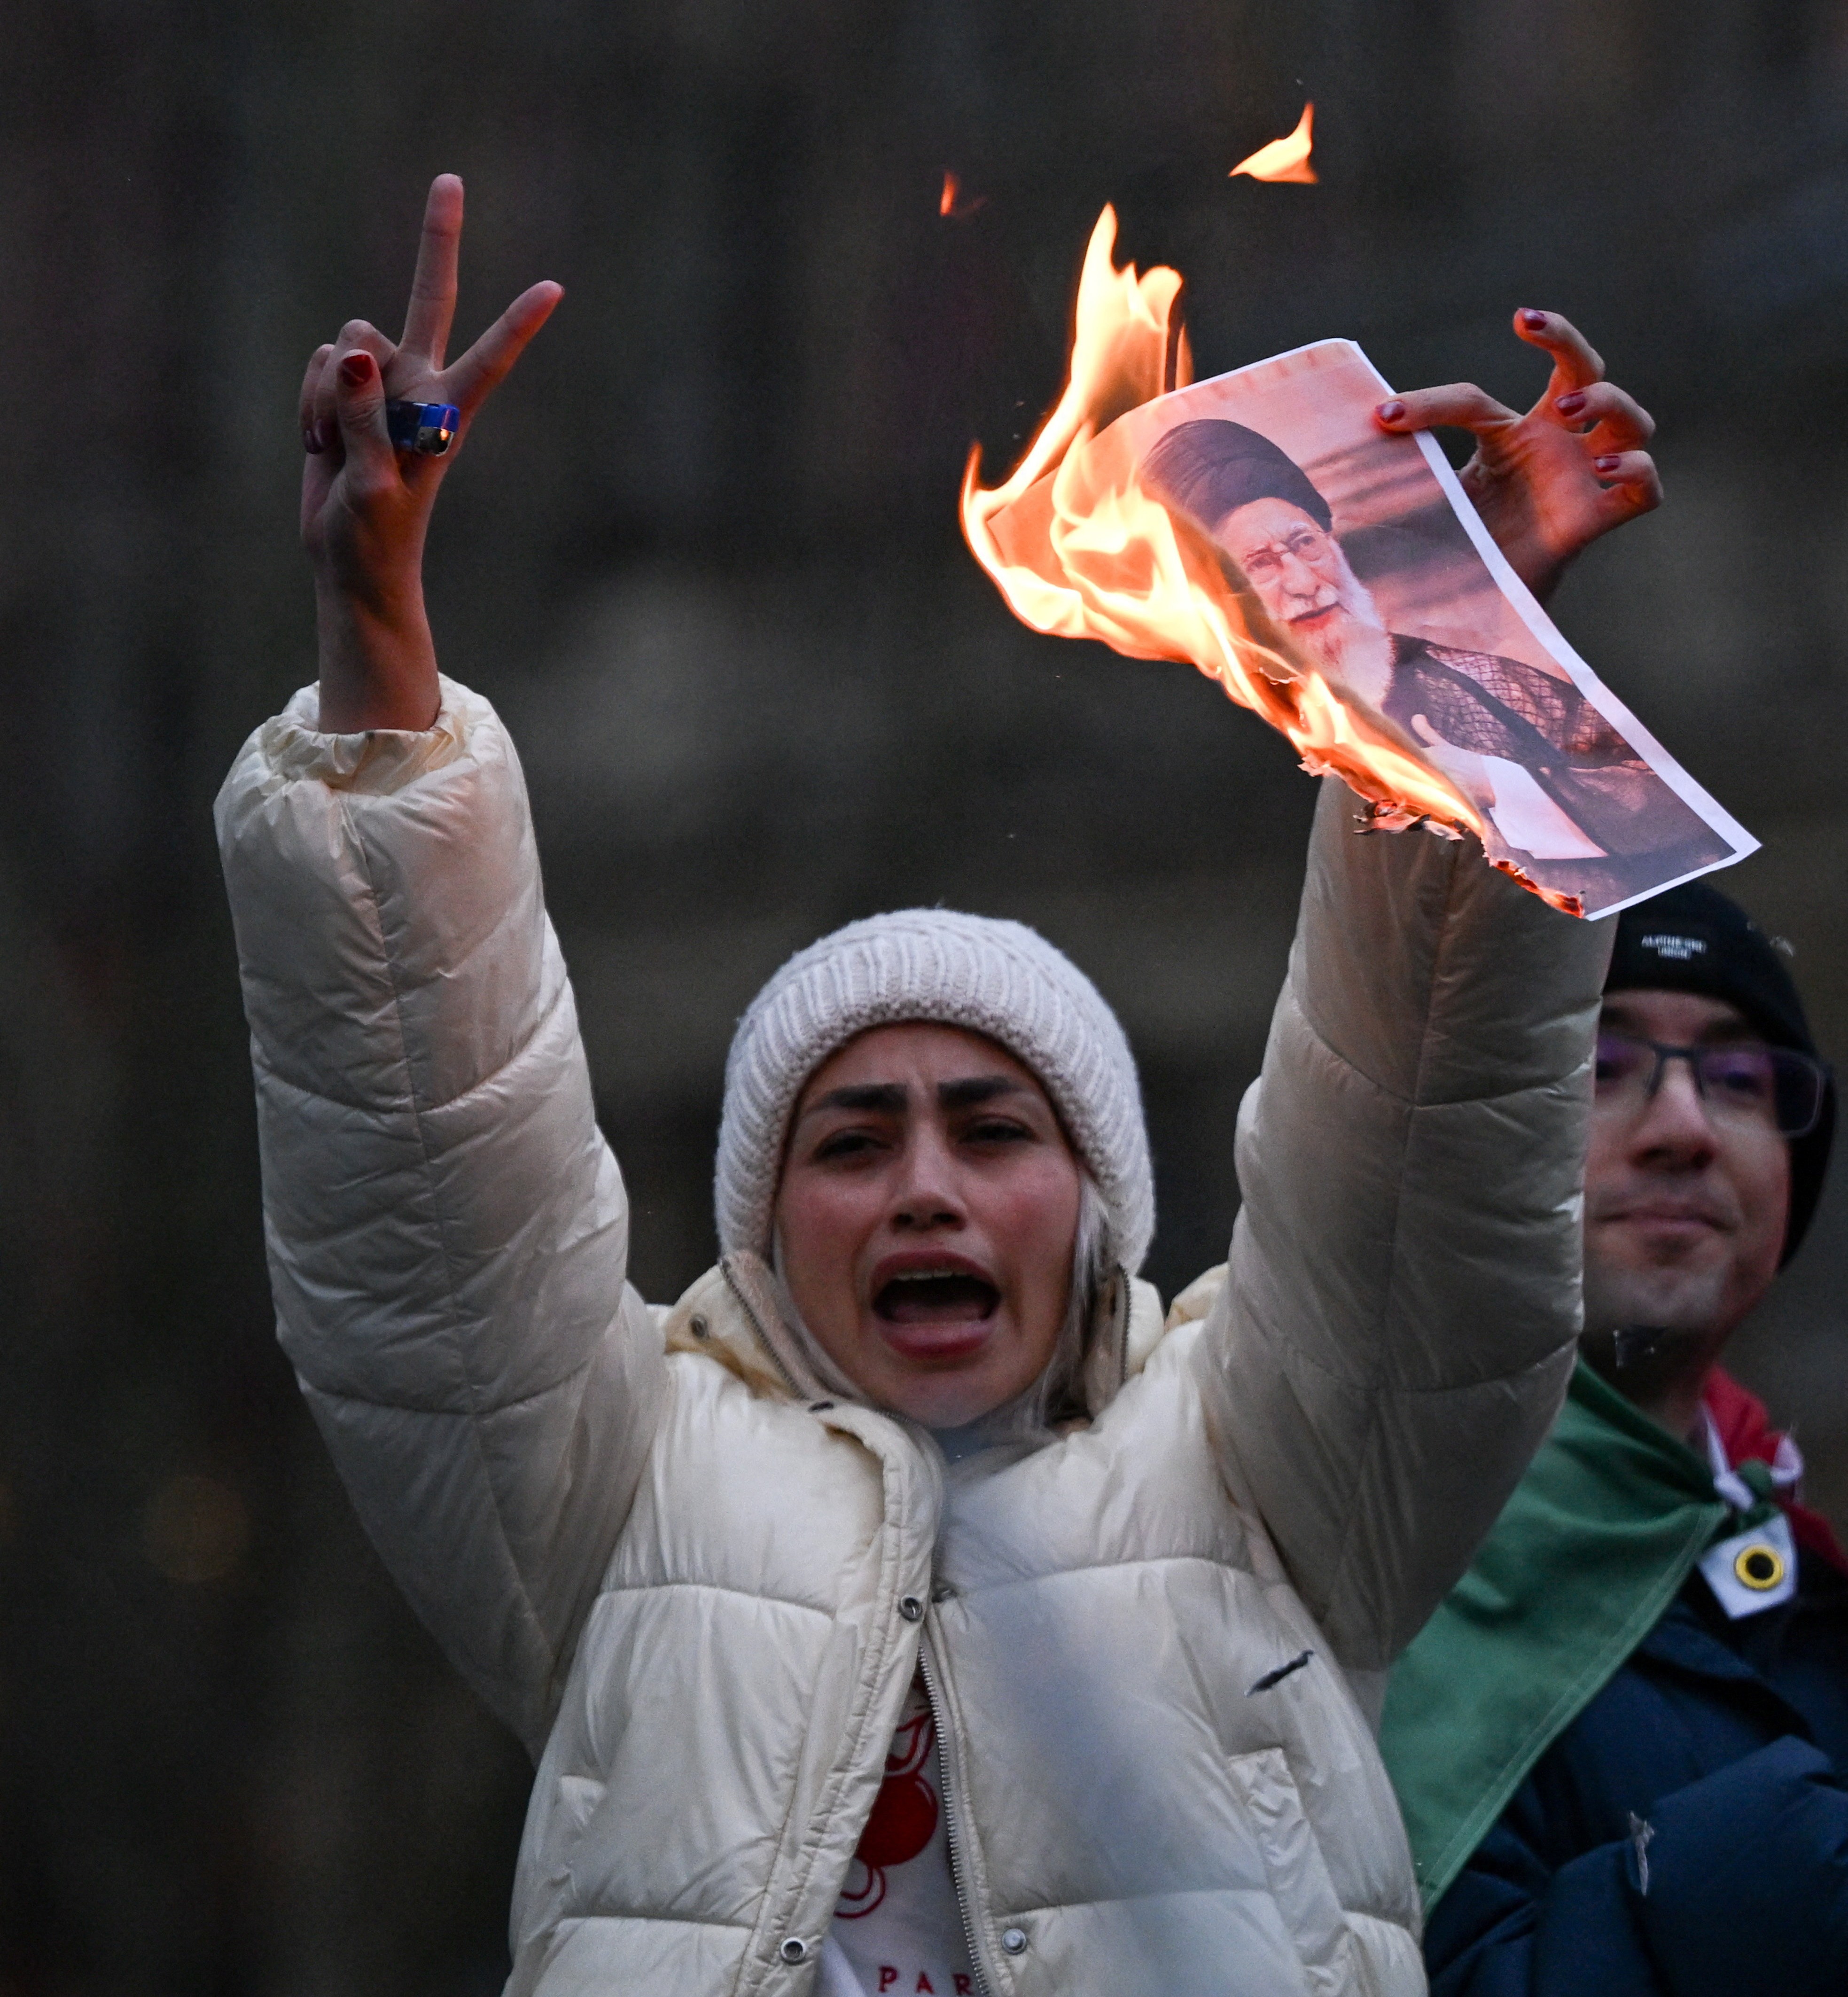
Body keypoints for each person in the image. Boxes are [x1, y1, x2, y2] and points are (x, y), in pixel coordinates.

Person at [218, 175, 1655, 1995]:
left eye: (991, 1129)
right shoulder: (616, 1484)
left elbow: (1421, 1165)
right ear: (755, 1227)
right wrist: (371, 643)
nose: (922, 1184)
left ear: (1097, 1204)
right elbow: (431, 1186)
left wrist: (1460, 675)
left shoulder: (1268, 1471)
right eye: (849, 1137)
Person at [1379, 885, 1848, 1995]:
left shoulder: (1793, 1570)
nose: (1682, 1128)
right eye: (1596, 1067)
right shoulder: (1356, 1556)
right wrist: (1784, 1857)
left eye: (1737, 1080)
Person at [1139, 413, 1726, 906]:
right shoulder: (1211, 742)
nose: (1301, 580)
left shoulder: (1471, 678)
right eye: (1261, 564)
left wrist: (1494, 783)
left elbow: (1655, 805)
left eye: (1304, 544)